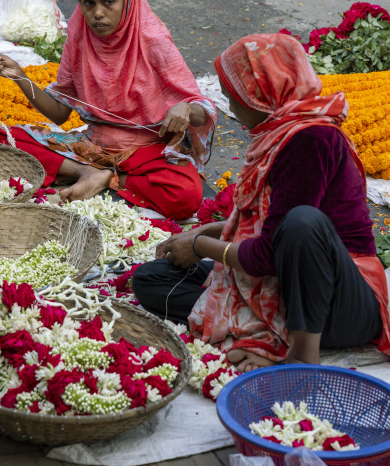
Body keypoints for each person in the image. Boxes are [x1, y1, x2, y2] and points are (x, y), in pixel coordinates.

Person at [132, 33, 390, 370]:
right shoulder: (279, 133)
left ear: (260, 97)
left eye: (233, 99)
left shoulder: (311, 138)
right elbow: (276, 232)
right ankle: (267, 330)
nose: (232, 110)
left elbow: (272, 252)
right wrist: (220, 229)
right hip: (291, 281)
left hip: (337, 303)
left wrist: (200, 245)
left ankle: (300, 354)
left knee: (303, 222)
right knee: (151, 279)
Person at [0, 0, 216, 219]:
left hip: (146, 150)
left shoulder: (152, 39)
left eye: (108, 2)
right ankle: (87, 173)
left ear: (127, 0)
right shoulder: (79, 34)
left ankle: (107, 179)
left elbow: (201, 109)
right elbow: (61, 114)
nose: (97, 13)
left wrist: (186, 109)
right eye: (88, 3)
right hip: (91, 148)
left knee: (185, 195)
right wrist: (21, 78)